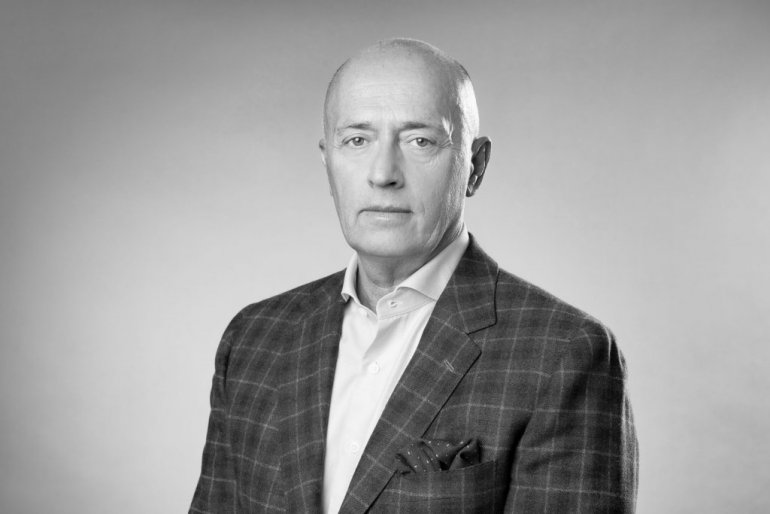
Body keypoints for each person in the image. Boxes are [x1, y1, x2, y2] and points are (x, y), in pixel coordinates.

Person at [190, 38, 638, 513]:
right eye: (357, 140)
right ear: (328, 161)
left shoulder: (564, 353)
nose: (383, 173)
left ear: (475, 166)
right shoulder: (254, 338)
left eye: (420, 141)